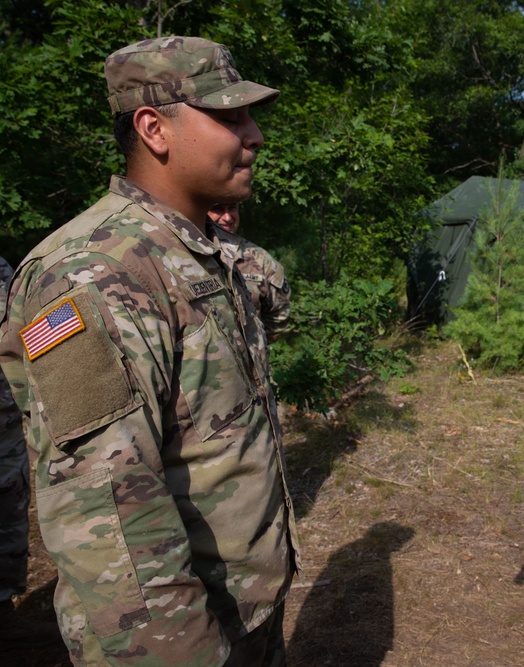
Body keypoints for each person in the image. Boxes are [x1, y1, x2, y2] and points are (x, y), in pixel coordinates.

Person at [0, 36, 299, 666]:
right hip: (175, 640)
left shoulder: (195, 255)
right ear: (153, 128)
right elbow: (108, 520)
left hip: (243, 612)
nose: (255, 136)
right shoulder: (92, 276)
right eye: (229, 117)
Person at [0, 255, 63, 650]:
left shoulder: (5, 269)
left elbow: (27, 324)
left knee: (9, 505)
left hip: (4, 417)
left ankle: (3, 614)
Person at [207, 203, 291, 341]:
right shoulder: (183, 258)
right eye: (217, 209)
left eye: (232, 208)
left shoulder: (261, 260)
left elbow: (279, 316)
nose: (227, 217)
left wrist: (256, 345)